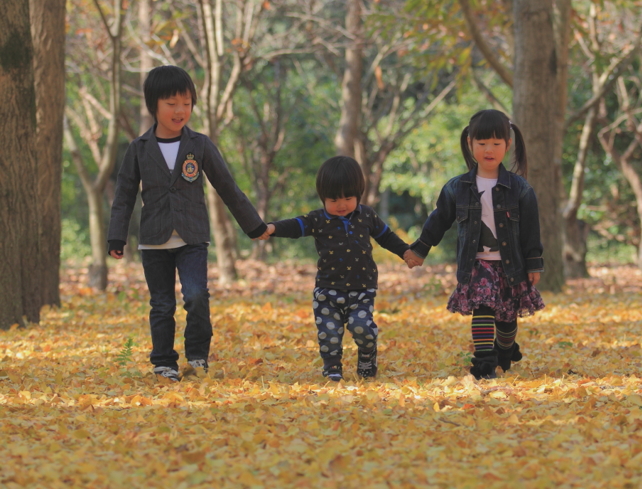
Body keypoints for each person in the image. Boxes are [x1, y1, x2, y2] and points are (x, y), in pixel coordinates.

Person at [107, 65, 269, 382]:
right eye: (171, 104)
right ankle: (164, 362)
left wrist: (254, 226)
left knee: (196, 297)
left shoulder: (200, 144)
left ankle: (197, 357)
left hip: (192, 237)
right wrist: (117, 237)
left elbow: (228, 187)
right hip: (153, 240)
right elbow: (124, 195)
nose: (180, 110)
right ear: (153, 105)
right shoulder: (138, 148)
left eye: (187, 102)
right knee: (162, 304)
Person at [405, 109, 544, 380]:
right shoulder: (457, 188)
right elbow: (438, 220)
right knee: (481, 310)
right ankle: (484, 363)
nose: (488, 150)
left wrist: (534, 263)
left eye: (495, 144)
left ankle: (505, 351)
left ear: (508, 144)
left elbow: (530, 230)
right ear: (469, 143)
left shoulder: (521, 189)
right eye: (481, 144)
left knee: (506, 322)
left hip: (510, 266)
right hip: (476, 264)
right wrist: (419, 249)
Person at [262, 156, 414, 381]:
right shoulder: (317, 219)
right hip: (327, 290)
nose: (341, 205)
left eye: (348, 198)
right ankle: (332, 369)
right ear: (323, 198)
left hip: (361, 289)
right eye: (333, 200)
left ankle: (367, 355)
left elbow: (387, 237)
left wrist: (406, 253)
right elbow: (295, 226)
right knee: (329, 334)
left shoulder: (367, 216)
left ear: (358, 194)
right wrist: (272, 228)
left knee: (362, 328)